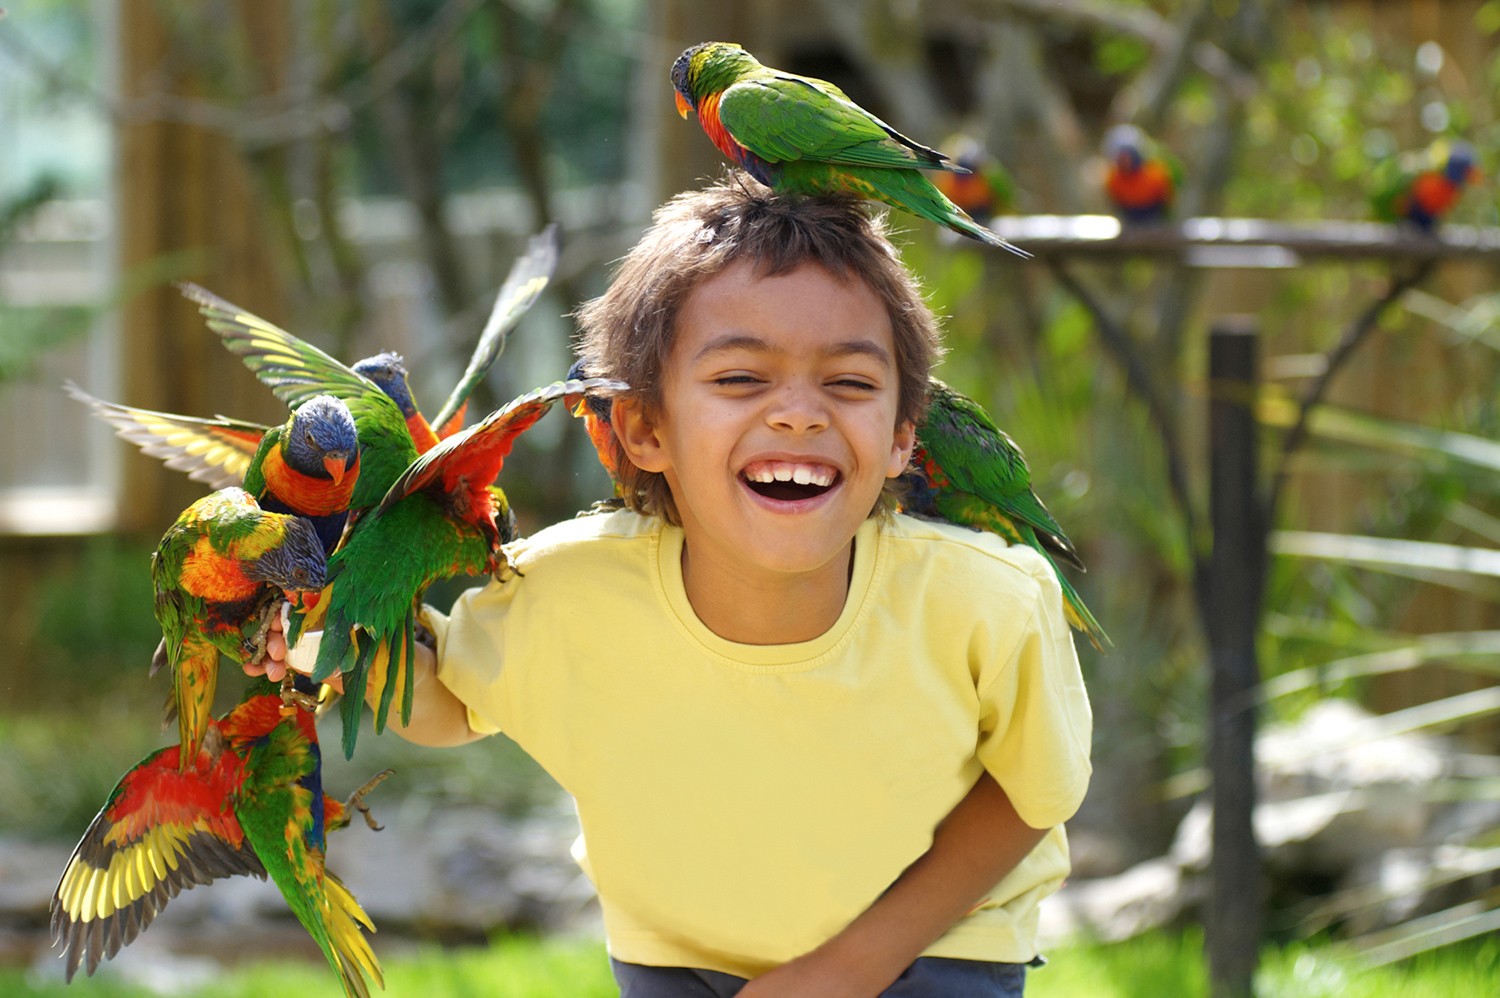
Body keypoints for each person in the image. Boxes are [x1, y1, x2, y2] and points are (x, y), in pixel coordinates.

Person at [254, 174, 1092, 997]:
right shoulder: (567, 589)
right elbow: (448, 702)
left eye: (850, 383)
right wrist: (324, 639)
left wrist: (843, 972)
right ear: (645, 428)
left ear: (904, 435)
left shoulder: (987, 603)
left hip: (934, 956)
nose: (800, 413)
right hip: (674, 966)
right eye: (739, 379)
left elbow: (1035, 793)